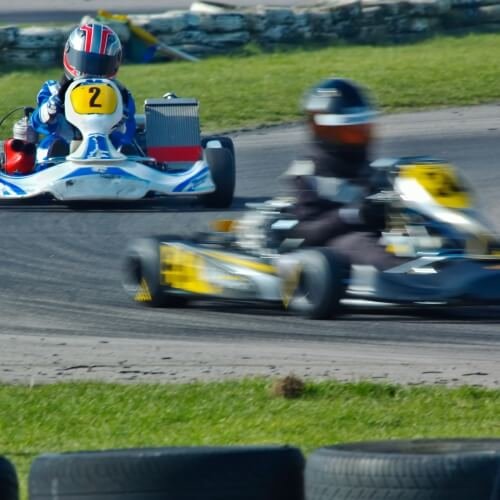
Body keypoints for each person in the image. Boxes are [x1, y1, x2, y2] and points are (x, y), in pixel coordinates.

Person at [283, 77, 402, 270]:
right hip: (335, 242)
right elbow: (301, 232)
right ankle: (408, 276)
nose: (360, 137)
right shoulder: (307, 173)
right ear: (325, 131)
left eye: (363, 130)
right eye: (352, 132)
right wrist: (352, 214)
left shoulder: (372, 169)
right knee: (362, 245)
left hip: (380, 233)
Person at [30, 22, 137, 164]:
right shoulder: (53, 89)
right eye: (86, 61)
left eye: (100, 64)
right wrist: (48, 110)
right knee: (50, 144)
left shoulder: (121, 94)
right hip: (65, 144)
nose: (91, 71)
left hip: (106, 145)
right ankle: (50, 165)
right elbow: (35, 122)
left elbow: (130, 127)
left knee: (125, 144)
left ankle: (129, 162)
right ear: (69, 54)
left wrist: (121, 121)